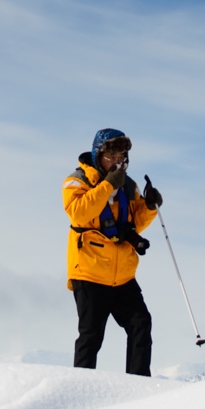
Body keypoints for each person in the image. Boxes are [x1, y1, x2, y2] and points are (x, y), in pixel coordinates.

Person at [62, 127, 163, 376]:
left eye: (122, 158)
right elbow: (79, 213)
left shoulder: (129, 186)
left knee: (141, 324)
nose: (118, 162)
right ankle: (80, 390)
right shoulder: (76, 181)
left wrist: (149, 206)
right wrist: (107, 186)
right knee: (91, 335)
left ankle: (139, 385)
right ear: (99, 155)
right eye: (112, 157)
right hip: (89, 272)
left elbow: (133, 223)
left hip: (122, 275)